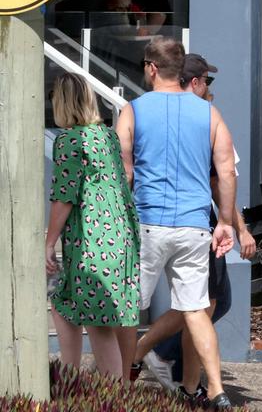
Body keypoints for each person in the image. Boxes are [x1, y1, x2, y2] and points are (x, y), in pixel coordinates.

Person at [115, 38, 236, 409]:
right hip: (194, 224)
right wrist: (226, 222)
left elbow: (125, 172)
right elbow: (227, 171)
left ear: (151, 68)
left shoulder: (132, 110)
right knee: (196, 309)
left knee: (128, 308)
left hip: (148, 222)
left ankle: (120, 384)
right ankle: (216, 390)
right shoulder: (208, 113)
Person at [46, 73, 140, 379]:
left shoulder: (69, 141)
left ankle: (111, 393)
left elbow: (64, 196)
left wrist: (49, 243)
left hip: (93, 240)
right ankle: (70, 378)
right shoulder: (107, 136)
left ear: (61, 102)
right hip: (118, 233)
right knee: (64, 302)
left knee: (98, 323)